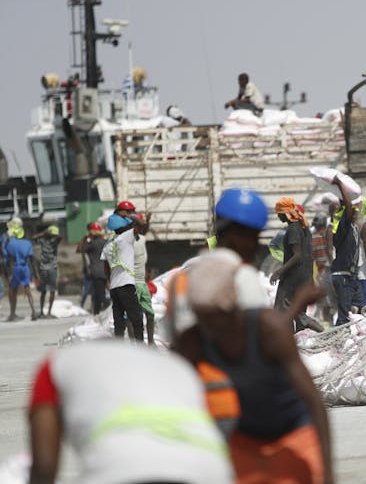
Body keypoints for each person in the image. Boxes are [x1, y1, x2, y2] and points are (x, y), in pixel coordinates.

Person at [167, 187, 333, 484]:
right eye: (202, 317)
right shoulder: (196, 337)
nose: (210, 325)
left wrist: (329, 474)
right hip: (245, 439)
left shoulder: (265, 327)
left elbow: (314, 403)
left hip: (292, 436)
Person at [28, 339, 234, 484]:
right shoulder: (174, 366)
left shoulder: (55, 364)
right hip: (209, 467)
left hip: (121, 467)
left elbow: (44, 467)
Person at [271, 198, 321, 332]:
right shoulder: (304, 228)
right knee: (296, 311)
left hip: (294, 279)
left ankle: (322, 332)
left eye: (279, 213)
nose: (278, 216)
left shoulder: (293, 229)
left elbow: (297, 255)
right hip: (305, 277)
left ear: (285, 213)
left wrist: (279, 272)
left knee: (287, 311)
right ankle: (299, 342)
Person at [101, 200, 147, 341]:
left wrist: (108, 280)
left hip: (114, 287)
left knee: (119, 322)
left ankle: (119, 348)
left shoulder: (108, 244)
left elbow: (106, 267)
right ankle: (140, 347)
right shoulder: (126, 237)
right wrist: (133, 216)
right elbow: (142, 225)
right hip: (127, 284)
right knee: (136, 318)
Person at [330, 176, 361, 326]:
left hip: (351, 275)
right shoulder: (343, 228)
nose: (355, 212)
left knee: (358, 307)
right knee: (344, 316)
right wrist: (341, 185)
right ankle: (335, 345)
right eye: (352, 210)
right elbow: (347, 208)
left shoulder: (353, 228)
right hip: (342, 276)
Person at [134, 212, 156, 345]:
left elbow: (144, 230)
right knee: (133, 316)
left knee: (150, 314)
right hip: (131, 283)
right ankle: (136, 344)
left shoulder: (141, 239)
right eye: (138, 225)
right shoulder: (126, 241)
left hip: (142, 283)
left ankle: (151, 341)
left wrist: (147, 220)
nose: (141, 228)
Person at [6, 226, 37, 322]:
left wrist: (10, 273)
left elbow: (10, 260)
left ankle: (12, 314)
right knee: (27, 290)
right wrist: (35, 273)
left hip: (16, 267)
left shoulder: (11, 243)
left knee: (13, 290)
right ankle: (33, 312)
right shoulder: (27, 243)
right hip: (25, 267)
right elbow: (31, 259)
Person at [32, 225, 63, 318]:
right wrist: (44, 233)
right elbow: (33, 238)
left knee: (52, 290)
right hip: (43, 268)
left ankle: (49, 311)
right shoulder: (43, 240)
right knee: (43, 290)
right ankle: (42, 312)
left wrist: (53, 234)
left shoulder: (55, 240)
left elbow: (60, 237)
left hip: (53, 267)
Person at [80, 222, 108, 314]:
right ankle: (98, 311)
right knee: (101, 292)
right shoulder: (105, 242)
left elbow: (80, 249)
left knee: (98, 294)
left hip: (96, 271)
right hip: (106, 270)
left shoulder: (91, 244)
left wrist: (86, 238)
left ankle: (101, 310)